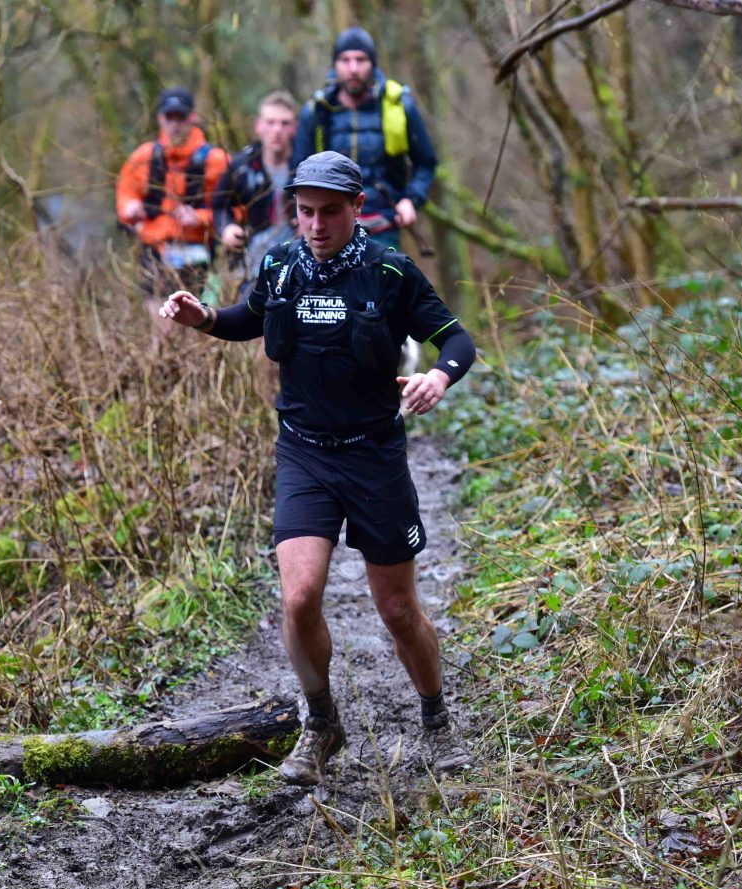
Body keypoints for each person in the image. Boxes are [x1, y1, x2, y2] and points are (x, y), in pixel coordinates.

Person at [156, 153, 475, 786]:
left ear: (356, 209)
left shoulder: (389, 270)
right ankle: (321, 722)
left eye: (330, 211)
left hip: (373, 452)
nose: (317, 224)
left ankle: (436, 716)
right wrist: (208, 318)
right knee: (299, 596)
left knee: (396, 609)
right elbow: (250, 318)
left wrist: (439, 375)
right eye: (305, 211)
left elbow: (458, 340)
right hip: (303, 451)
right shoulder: (280, 264)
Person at [293, 26, 438, 251]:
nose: (353, 68)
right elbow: (297, 171)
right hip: (328, 226)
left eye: (361, 60)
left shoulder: (398, 107)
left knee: (383, 284)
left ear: (372, 63)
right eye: (345, 60)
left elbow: (426, 163)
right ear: (335, 65)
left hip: (384, 224)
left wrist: (410, 200)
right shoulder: (317, 112)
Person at [116, 87, 229, 296]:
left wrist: (200, 218)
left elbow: (233, 211)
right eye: (170, 117)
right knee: (160, 321)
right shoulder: (143, 157)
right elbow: (126, 192)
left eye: (181, 117)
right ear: (160, 118)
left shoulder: (217, 160)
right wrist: (129, 208)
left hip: (201, 254)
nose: (175, 124)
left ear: (192, 118)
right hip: (155, 251)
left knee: (199, 319)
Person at [212, 90, 298, 301]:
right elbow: (219, 205)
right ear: (259, 125)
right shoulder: (242, 166)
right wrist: (227, 229)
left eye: (284, 123)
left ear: (295, 127)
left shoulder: (306, 165)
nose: (277, 130)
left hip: (297, 263)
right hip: (249, 266)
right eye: (270, 122)